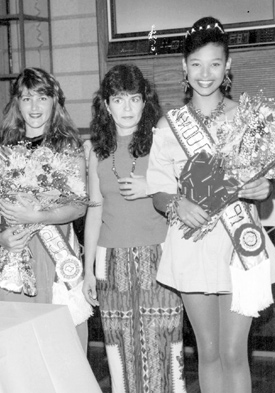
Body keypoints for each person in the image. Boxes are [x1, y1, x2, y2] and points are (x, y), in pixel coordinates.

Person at [146, 17, 275, 393]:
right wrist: (178, 203)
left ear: (228, 66)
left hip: (238, 244)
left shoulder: (248, 119)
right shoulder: (169, 125)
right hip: (193, 243)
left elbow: (262, 183)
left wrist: (263, 189)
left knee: (232, 352)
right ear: (184, 67)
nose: (204, 74)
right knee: (207, 352)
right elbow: (158, 192)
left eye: (214, 64)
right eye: (196, 64)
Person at [82, 64, 186, 393]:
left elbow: (191, 196)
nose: (127, 108)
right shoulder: (95, 149)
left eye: (134, 99)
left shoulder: (163, 141)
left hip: (159, 255)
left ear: (146, 102)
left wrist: (153, 186)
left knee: (166, 345)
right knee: (119, 350)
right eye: (118, 99)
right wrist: (87, 271)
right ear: (105, 104)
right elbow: (94, 210)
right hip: (110, 260)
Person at [0, 67, 89, 350]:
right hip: (16, 254)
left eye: (42, 98)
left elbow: (78, 207)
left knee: (60, 344)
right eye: (26, 98)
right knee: (18, 344)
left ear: (54, 101)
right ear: (17, 104)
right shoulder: (3, 146)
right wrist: (0, 235)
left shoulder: (68, 146)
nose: (34, 106)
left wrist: (38, 216)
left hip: (54, 254)